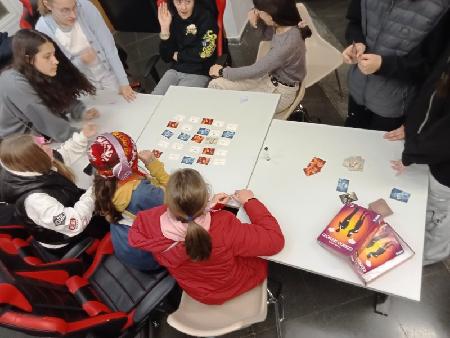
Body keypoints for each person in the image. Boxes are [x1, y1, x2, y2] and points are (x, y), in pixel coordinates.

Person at [129, 168, 284, 305]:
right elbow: (275, 241)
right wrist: (250, 201)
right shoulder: (223, 227)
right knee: (258, 259)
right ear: (205, 197)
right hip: (227, 289)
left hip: (198, 290)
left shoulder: (148, 221)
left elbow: (187, 222)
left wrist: (209, 207)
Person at [384, 42, 450, 265]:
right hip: (432, 154)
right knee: (431, 207)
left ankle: (429, 256)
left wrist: (413, 152)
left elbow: (443, 135)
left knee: (439, 215)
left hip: (444, 171)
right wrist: (412, 128)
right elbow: (432, 96)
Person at [0, 123, 108, 257]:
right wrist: (95, 190)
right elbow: (74, 224)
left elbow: (61, 157)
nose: (48, 146)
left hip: (69, 204)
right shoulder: (36, 201)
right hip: (67, 238)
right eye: (42, 146)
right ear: (34, 159)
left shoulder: (26, 166)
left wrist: (82, 136)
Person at [342, 0, 449, 131]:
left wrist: (383, 65)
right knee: (350, 143)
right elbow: (355, 22)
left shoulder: (441, 8)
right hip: (357, 90)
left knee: (379, 150)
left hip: (395, 107)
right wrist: (356, 43)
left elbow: (434, 68)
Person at [208, 0, 311, 116]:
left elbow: (256, 70)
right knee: (216, 85)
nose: (255, 12)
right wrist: (255, 23)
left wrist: (222, 71)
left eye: (258, 11)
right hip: (268, 79)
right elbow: (267, 36)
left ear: (271, 16)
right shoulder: (281, 25)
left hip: (279, 92)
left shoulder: (288, 43)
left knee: (236, 107)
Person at [88, 131, 169, 271]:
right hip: (148, 259)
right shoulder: (141, 193)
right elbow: (177, 197)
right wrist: (153, 164)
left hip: (124, 249)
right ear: (123, 168)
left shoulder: (102, 179)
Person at [0, 29, 97, 142]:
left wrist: (79, 111)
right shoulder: (14, 82)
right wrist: (77, 135)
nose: (55, 61)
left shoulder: (33, 67)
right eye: (47, 56)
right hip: (19, 143)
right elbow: (42, 115)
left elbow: (54, 92)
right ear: (28, 59)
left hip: (42, 132)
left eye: (53, 54)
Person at [35, 0, 136, 101]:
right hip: (82, 83)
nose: (73, 15)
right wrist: (81, 62)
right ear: (47, 4)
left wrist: (124, 83)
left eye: (74, 7)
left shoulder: (85, 6)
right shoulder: (43, 29)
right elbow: (59, 69)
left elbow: (109, 46)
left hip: (106, 72)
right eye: (65, 10)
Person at [152, 0, 218, 95]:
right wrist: (165, 29)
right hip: (175, 70)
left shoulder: (206, 17)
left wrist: (178, 56)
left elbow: (204, 52)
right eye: (178, 2)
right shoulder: (172, 18)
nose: (183, 7)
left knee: (177, 104)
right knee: (155, 99)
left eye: (188, 2)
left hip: (198, 72)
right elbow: (165, 56)